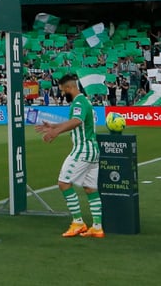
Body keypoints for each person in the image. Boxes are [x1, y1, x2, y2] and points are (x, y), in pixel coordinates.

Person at [34, 74, 104, 239]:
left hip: (83, 149)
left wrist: (55, 132)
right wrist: (54, 125)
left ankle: (78, 222)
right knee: (90, 189)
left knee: (64, 183)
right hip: (93, 150)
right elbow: (77, 121)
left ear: (69, 88)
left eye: (62, 90)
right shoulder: (85, 101)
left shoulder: (79, 102)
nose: (61, 94)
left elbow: (76, 121)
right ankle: (97, 227)